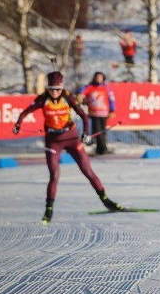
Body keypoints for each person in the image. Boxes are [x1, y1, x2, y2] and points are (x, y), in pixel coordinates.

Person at [12, 71, 123, 224]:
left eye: (58, 89)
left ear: (62, 87)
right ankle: (48, 210)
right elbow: (24, 113)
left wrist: (85, 133)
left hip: (71, 138)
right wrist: (18, 125)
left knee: (87, 171)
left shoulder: (67, 96)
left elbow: (84, 116)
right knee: (54, 175)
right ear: (47, 88)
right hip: (53, 141)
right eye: (52, 89)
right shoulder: (43, 99)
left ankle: (106, 200)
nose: (55, 92)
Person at [79, 72, 116, 155]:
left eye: (100, 77)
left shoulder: (106, 88)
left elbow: (111, 99)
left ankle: (102, 148)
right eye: (97, 77)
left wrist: (112, 110)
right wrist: (80, 96)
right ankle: (101, 148)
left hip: (104, 113)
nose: (99, 79)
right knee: (97, 131)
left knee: (103, 131)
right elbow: (81, 91)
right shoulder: (90, 87)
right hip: (94, 113)